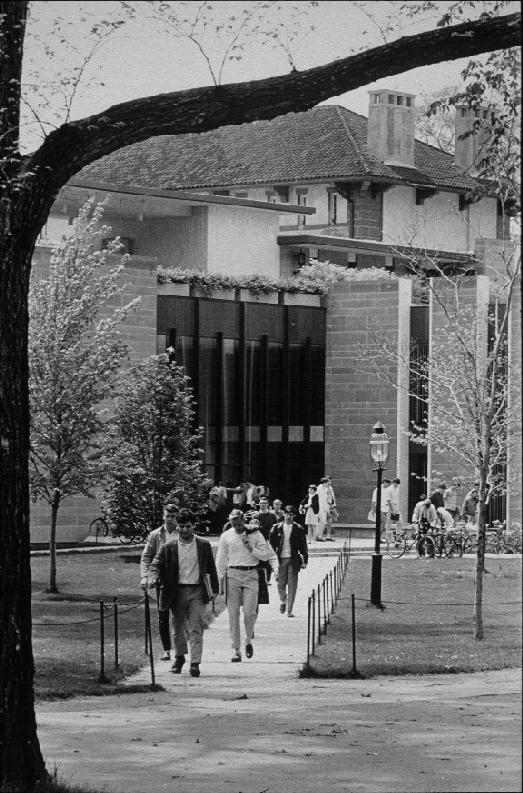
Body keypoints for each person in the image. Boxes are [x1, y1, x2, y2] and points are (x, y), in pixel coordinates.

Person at [147, 508, 219, 678]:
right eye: (182, 526)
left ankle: (195, 663)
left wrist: (215, 588)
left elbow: (211, 568)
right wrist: (153, 576)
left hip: (197, 591)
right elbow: (156, 564)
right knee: (177, 627)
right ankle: (179, 657)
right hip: (176, 591)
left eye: (188, 526)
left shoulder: (203, 545)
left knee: (196, 627)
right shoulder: (168, 546)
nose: (185, 530)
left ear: (194, 526)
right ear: (178, 526)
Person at [216, 509, 276, 662]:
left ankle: (248, 639)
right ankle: (236, 650)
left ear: (244, 520)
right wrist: (219, 580)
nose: (237, 527)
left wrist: (251, 548)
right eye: (233, 524)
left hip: (251, 574)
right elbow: (221, 560)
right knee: (233, 614)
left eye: (239, 523)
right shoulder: (226, 536)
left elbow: (267, 555)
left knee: (250, 612)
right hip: (233, 575)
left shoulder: (255, 534)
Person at [140, 501, 179, 661]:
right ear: (163, 516)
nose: (170, 519)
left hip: (179, 580)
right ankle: (166, 649)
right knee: (163, 615)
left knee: (178, 616)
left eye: (173, 516)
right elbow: (146, 556)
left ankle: (179, 648)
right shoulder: (156, 535)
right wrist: (145, 576)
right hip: (161, 580)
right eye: (167, 516)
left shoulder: (181, 532)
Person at [269, 505, 308, 618]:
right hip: (281, 559)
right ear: (284, 514)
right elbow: (271, 546)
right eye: (287, 514)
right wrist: (271, 561)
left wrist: (305, 560)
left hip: (293, 559)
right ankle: (283, 600)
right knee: (280, 584)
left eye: (291, 515)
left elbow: (303, 546)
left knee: (292, 585)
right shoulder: (276, 528)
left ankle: (289, 610)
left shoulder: (298, 528)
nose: (288, 516)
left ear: (294, 516)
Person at [317, 476, 337, 541]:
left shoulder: (330, 488)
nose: (329, 482)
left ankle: (328, 536)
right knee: (322, 521)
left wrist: (333, 505)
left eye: (330, 481)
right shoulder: (320, 488)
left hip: (329, 506)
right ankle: (318, 536)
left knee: (329, 521)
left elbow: (332, 497)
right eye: (328, 481)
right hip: (323, 506)